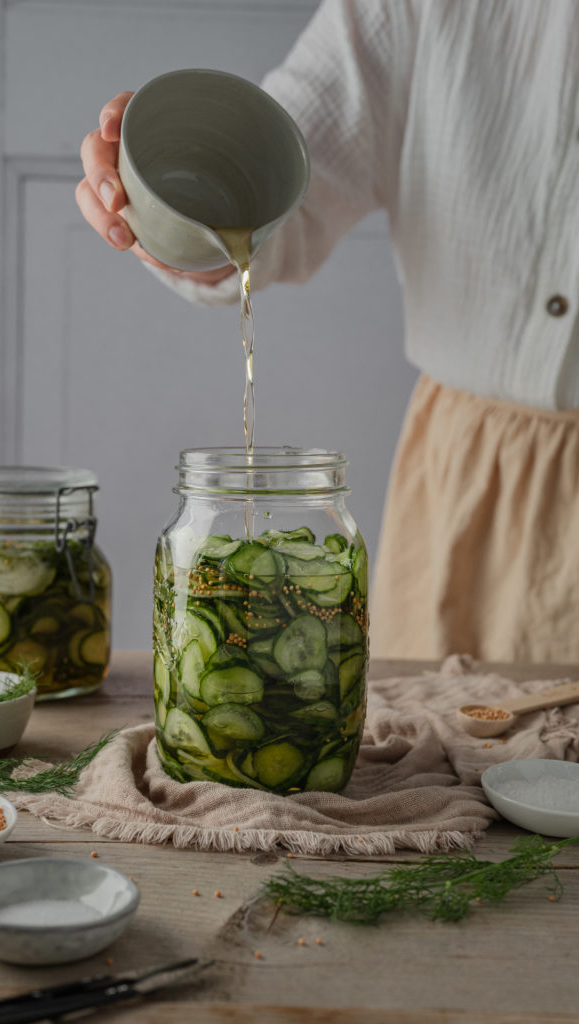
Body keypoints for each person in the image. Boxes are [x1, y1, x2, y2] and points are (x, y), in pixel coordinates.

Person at [77, 0, 579, 665]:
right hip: (472, 485)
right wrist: (156, 209)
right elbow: (281, 186)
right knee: (443, 749)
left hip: (467, 464)